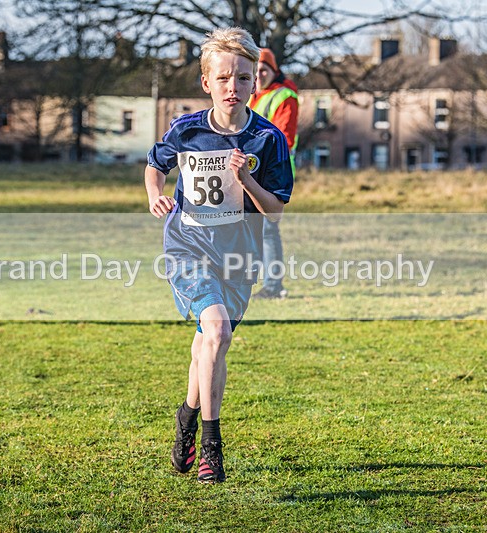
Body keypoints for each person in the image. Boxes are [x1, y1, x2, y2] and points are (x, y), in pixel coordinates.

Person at [145, 27, 293, 483]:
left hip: (238, 253)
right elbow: (155, 164)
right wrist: (155, 195)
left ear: (255, 83)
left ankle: (186, 420)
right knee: (217, 331)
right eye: (224, 78)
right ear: (207, 82)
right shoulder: (186, 129)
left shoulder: (268, 139)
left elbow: (276, 211)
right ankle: (212, 446)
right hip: (188, 247)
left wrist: (246, 180)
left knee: (208, 343)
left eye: (243, 78)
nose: (234, 87)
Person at [248, 48, 299, 300]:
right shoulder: (253, 95)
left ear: (273, 70)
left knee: (268, 229)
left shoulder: (284, 96)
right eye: (255, 70)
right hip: (251, 170)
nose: (259, 74)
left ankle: (273, 285)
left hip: (273, 171)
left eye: (264, 69)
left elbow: (283, 138)